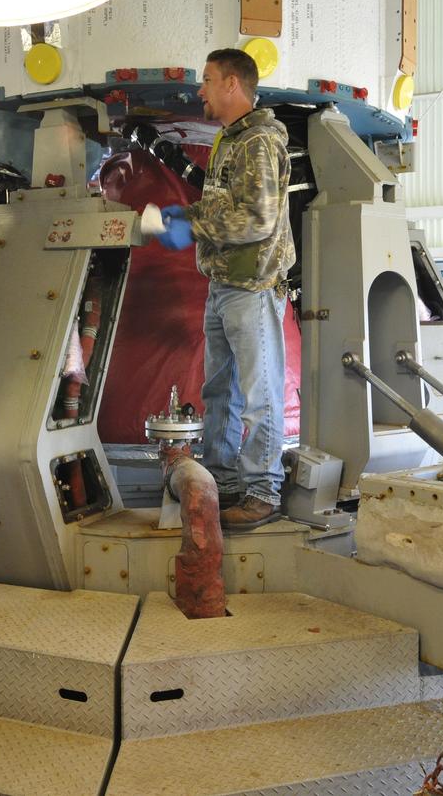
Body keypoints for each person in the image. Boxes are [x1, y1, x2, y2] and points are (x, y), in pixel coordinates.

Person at [156, 48, 294, 530]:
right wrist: (191, 220)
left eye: (209, 80)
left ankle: (261, 490)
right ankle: (220, 479)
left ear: (233, 84)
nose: (201, 90)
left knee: (259, 393)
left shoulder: (256, 140)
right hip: (224, 285)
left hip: (251, 287)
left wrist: (190, 224)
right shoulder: (229, 141)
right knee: (221, 391)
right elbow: (228, 207)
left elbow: (257, 219)